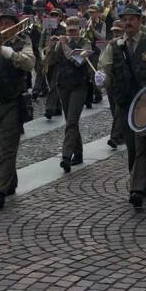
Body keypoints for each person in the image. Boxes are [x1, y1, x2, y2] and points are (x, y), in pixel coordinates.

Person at [94, 4, 146, 209]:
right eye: (124, 19)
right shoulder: (114, 46)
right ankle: (142, 182)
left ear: (140, 21)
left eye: (132, 19)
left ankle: (136, 189)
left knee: (142, 145)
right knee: (132, 147)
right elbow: (103, 68)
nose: (128, 23)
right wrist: (101, 78)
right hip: (124, 102)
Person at [0, 9, 35, 208]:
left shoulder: (23, 42)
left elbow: (29, 63)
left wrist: (5, 51)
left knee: (7, 150)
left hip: (12, 103)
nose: (3, 27)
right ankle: (8, 182)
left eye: (7, 23)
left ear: (15, 25)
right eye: (0, 24)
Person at [46, 15, 93, 173]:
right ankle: (78, 153)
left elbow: (77, 61)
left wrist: (65, 45)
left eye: (74, 30)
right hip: (63, 85)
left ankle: (66, 156)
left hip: (79, 86)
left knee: (71, 122)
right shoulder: (62, 43)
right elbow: (50, 62)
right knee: (71, 120)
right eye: (69, 30)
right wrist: (52, 46)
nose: (71, 33)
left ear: (79, 30)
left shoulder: (85, 43)